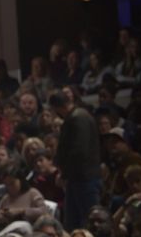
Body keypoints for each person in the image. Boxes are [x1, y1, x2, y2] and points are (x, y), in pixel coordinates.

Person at [49, 89, 101, 231]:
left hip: (84, 178)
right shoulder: (75, 117)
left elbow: (79, 151)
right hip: (76, 178)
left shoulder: (78, 118)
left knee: (88, 222)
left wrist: (64, 173)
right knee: (73, 223)